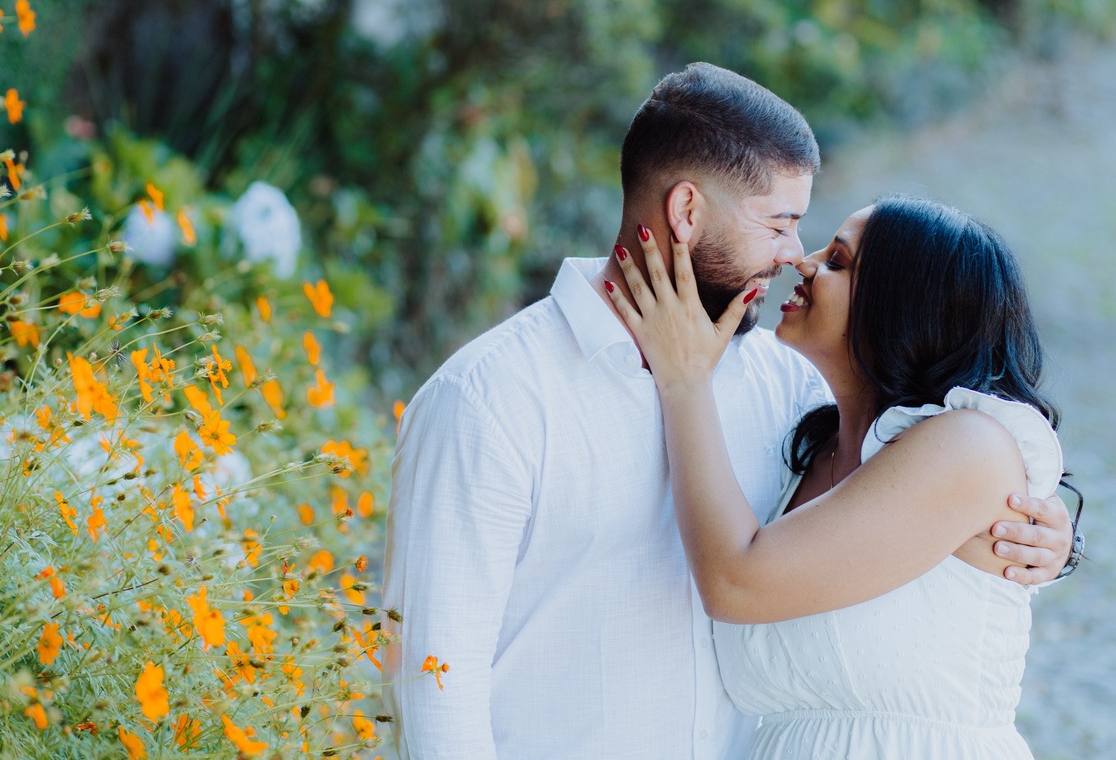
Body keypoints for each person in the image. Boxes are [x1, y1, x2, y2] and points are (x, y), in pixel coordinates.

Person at [381, 63, 1075, 759]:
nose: (792, 257)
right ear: (688, 213)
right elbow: (432, 679)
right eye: (781, 224)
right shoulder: (492, 398)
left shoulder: (791, 395)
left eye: (823, 248)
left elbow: (925, 497)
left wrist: (1037, 528)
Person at [605, 194, 1073, 758]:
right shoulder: (803, 449)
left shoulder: (971, 444)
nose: (804, 262)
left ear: (901, 305)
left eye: (838, 262)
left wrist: (684, 380)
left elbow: (734, 582)